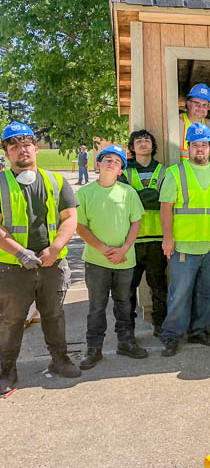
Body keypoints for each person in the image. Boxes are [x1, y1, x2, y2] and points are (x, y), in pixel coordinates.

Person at [0, 122, 80, 394]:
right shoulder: (0, 183)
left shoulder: (56, 180)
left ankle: (60, 359)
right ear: (7, 153)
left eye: (26, 145)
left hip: (52, 265)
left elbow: (70, 218)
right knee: (11, 320)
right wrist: (19, 252)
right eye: (14, 146)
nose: (21, 150)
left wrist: (55, 248)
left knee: (54, 314)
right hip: (12, 268)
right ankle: (7, 371)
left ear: (35, 148)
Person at [159, 123, 210, 356]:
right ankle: (172, 335)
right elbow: (166, 207)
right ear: (188, 148)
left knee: (209, 292)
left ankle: (199, 331)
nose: (199, 149)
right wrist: (168, 238)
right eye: (195, 145)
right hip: (183, 246)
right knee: (180, 292)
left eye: (204, 145)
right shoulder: (175, 172)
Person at [76, 145, 147, 369]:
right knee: (97, 305)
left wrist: (124, 248)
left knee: (124, 303)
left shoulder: (128, 192)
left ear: (120, 171)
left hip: (125, 260)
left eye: (117, 162)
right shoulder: (85, 193)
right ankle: (94, 349)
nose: (111, 163)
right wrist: (102, 248)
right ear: (97, 164)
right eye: (106, 159)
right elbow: (79, 225)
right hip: (97, 261)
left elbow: (136, 221)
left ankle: (125, 342)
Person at [119, 130, 168, 338]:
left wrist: (139, 197)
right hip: (132, 241)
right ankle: (127, 328)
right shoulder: (125, 172)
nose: (142, 143)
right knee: (128, 289)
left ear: (152, 145)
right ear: (131, 147)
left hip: (158, 239)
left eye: (147, 140)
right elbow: (123, 202)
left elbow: (165, 201)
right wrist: (152, 197)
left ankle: (160, 325)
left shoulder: (164, 171)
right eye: (138, 141)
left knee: (158, 287)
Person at [180, 83, 210, 161]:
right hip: (179, 172)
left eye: (204, 105)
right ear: (188, 104)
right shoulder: (176, 123)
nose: (201, 108)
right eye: (197, 104)